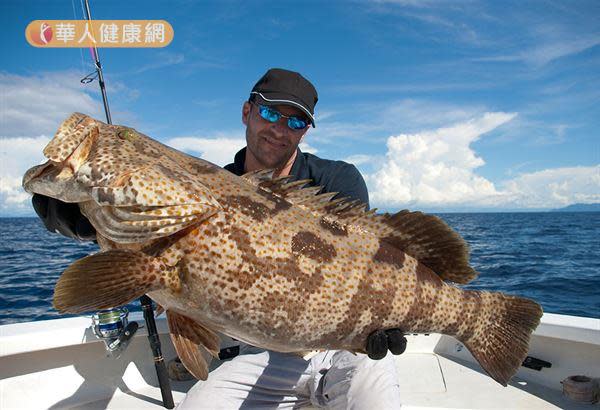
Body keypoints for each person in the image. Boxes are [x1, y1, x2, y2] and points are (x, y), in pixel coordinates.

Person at [32, 68, 406, 409]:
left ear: (305, 131)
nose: (279, 128)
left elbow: (366, 265)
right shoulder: (205, 185)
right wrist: (79, 209)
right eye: (270, 113)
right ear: (247, 112)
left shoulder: (337, 181)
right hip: (262, 353)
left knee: (374, 397)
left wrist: (381, 324)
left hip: (346, 348)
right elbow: (114, 222)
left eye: (295, 121)